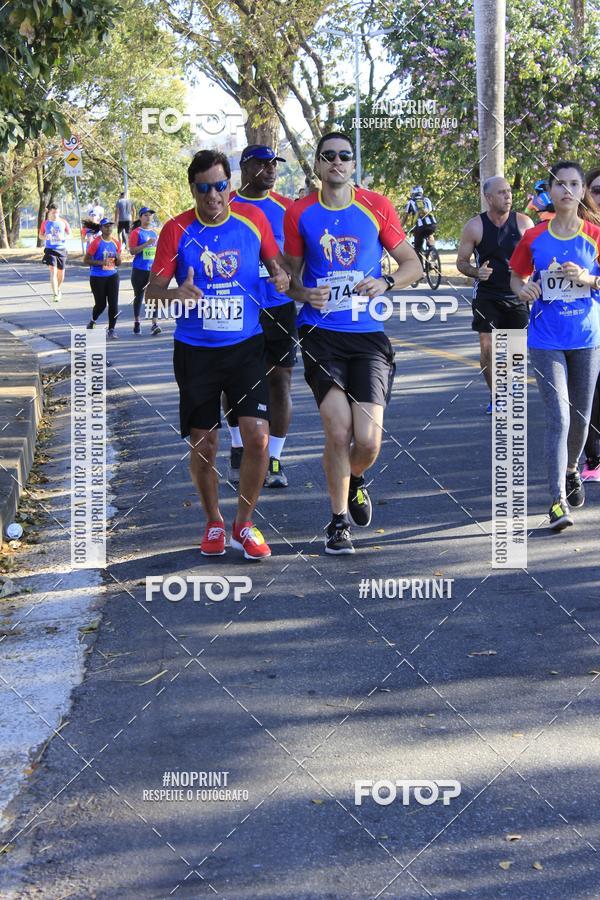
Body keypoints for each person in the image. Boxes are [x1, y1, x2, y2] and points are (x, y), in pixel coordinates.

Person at [144, 149, 291, 561]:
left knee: (257, 437)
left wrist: (280, 276)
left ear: (230, 186)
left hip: (245, 346)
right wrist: (175, 293)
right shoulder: (176, 230)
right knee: (203, 444)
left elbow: (277, 268)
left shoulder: (253, 220)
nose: (213, 195)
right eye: (204, 188)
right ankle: (213, 521)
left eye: (220, 186)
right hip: (196, 352)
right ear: (193, 189)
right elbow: (151, 292)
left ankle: (244, 523)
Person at [283, 131, 422, 554]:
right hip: (320, 334)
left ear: (353, 164)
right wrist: (306, 294)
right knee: (337, 429)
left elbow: (412, 264)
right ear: (318, 165)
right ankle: (338, 521)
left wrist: (386, 281)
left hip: (368, 338)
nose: (337, 163)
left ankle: (355, 477)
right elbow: (287, 279)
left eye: (345, 156)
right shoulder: (300, 213)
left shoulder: (376, 206)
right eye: (329, 157)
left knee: (368, 440)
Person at [509, 160, 600, 530]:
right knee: (559, 417)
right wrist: (524, 290)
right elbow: (515, 277)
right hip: (545, 338)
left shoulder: (594, 234)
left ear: (581, 192)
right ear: (551, 191)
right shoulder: (535, 237)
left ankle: (572, 468)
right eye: (559, 184)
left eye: (574, 184)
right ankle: (557, 501)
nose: (566, 190)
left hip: (587, 338)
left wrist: (589, 278)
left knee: (580, 418)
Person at [227, 144, 295, 488]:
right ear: (244, 166)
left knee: (280, 381)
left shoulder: (287, 208)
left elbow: (301, 254)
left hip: (279, 307)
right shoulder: (225, 206)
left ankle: (275, 459)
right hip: (237, 308)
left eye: (274, 164)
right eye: (262, 164)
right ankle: (238, 443)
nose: (270, 170)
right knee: (234, 384)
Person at [456, 176, 535, 413]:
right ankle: (497, 396)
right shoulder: (475, 227)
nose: (508, 196)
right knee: (488, 347)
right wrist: (475, 271)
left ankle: (510, 388)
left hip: (517, 296)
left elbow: (537, 257)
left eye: (509, 191)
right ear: (488, 198)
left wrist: (529, 275)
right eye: (501, 192)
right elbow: (461, 262)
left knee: (514, 351)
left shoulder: (524, 223)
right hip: (487, 296)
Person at [581, 167, 600, 481]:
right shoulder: (581, 230)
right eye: (596, 190)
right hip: (590, 319)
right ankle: (593, 459)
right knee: (593, 389)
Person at [83, 218, 122, 339]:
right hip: (97, 277)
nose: (108, 228)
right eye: (106, 226)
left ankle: (111, 329)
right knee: (101, 305)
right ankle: (93, 320)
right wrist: (101, 262)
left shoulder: (116, 243)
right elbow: (86, 260)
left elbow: (119, 263)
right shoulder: (96, 243)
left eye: (110, 226)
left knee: (114, 305)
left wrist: (117, 258)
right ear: (101, 228)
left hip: (112, 276)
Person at [128, 206, 161, 335]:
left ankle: (154, 324)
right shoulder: (136, 232)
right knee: (139, 297)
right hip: (139, 269)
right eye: (146, 215)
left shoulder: (153, 233)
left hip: (152, 270)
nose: (149, 217)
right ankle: (137, 322)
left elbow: (156, 251)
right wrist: (147, 244)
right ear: (141, 217)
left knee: (154, 295)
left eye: (150, 215)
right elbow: (132, 251)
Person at [39, 204, 70, 302]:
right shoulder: (45, 223)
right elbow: (40, 235)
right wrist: (45, 237)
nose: (55, 215)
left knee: (61, 274)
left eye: (57, 212)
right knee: (53, 271)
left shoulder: (63, 222)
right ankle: (55, 293)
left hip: (61, 250)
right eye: (53, 212)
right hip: (50, 250)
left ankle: (58, 289)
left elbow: (70, 234)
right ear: (49, 212)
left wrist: (64, 238)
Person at [400, 186, 437, 257]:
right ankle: (432, 251)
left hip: (420, 227)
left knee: (417, 248)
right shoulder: (427, 200)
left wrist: (400, 228)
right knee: (430, 234)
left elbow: (405, 217)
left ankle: (420, 266)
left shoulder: (410, 202)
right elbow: (433, 210)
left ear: (412, 194)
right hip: (432, 224)